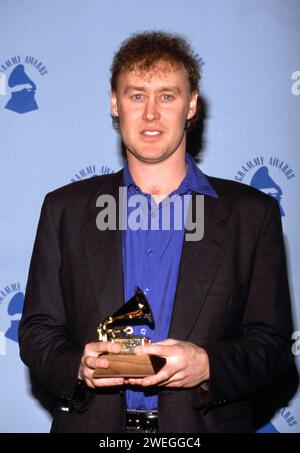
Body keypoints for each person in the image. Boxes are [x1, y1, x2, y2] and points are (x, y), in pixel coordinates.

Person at [19, 31, 293, 433]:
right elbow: (38, 331)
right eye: (136, 95)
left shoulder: (253, 215)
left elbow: (271, 344)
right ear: (114, 103)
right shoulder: (64, 209)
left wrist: (208, 366)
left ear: (191, 105)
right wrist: (77, 366)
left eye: (167, 95)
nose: (150, 114)